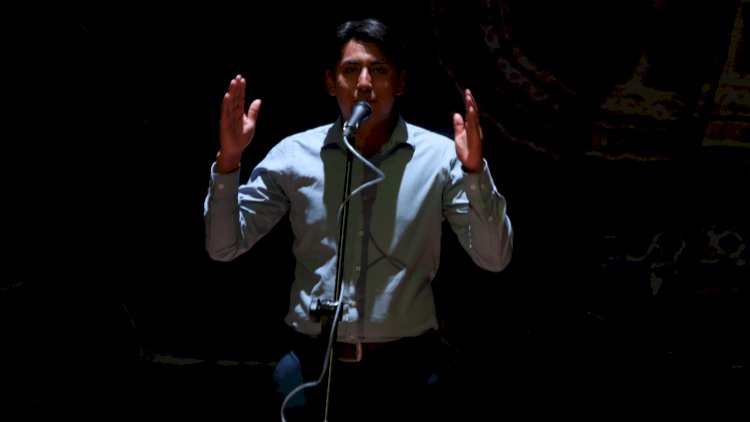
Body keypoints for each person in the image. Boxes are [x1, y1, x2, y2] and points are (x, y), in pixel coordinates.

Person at [204, 17, 513, 421]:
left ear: (399, 83)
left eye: (379, 70)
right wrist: (229, 162)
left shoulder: (441, 158)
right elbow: (223, 247)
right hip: (310, 368)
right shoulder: (294, 156)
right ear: (330, 83)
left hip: (407, 370)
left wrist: (474, 172)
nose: (364, 83)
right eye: (350, 70)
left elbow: (494, 258)